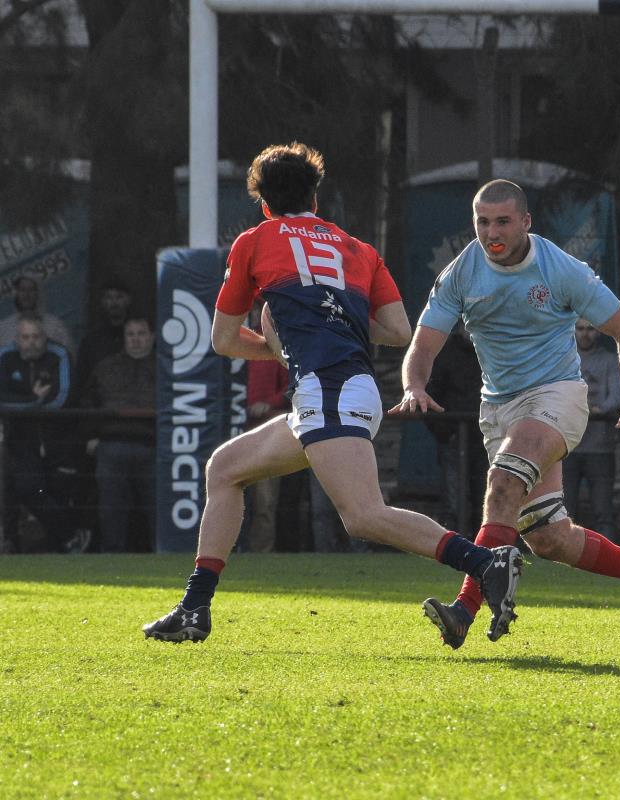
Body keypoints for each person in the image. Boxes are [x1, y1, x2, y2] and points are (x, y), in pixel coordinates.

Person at [142, 142, 522, 644]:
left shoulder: (255, 240)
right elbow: (397, 330)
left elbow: (224, 340)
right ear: (315, 199)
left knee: (363, 516)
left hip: (328, 388)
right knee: (225, 468)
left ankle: (484, 562)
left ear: (264, 204)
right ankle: (194, 608)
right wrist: (334, 322)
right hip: (339, 388)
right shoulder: (357, 248)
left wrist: (282, 347)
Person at [390, 179, 620, 651]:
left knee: (502, 483)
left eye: (503, 222)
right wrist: (413, 385)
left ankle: (463, 610)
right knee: (551, 538)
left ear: (526, 222)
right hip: (499, 409)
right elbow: (424, 344)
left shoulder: (560, 269)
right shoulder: (462, 271)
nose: (492, 233)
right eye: (482, 222)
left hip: (557, 396)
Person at [0, 314, 82, 552]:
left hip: (58, 440)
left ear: (45, 337)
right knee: (27, 489)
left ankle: (62, 547)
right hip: (21, 441)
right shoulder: (5, 357)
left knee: (58, 494)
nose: (31, 343)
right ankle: (70, 536)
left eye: (36, 337)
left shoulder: (59, 355)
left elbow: (62, 398)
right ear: (17, 339)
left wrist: (22, 403)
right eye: (25, 337)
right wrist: (33, 401)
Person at [79, 316, 157, 552]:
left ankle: (166, 554)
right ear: (123, 338)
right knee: (111, 510)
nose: (135, 339)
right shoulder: (105, 367)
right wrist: (91, 436)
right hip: (112, 444)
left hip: (153, 446)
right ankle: (112, 558)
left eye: (141, 333)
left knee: (158, 507)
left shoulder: (166, 368)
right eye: (130, 334)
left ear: (152, 337)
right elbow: (87, 402)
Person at [562, 319, 620, 543]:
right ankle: (564, 553)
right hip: (567, 446)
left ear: (598, 332)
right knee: (564, 512)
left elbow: (617, 396)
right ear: (573, 330)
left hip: (600, 446)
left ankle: (609, 555)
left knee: (603, 511)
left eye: (590, 329)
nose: (585, 334)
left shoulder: (610, 360)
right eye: (580, 328)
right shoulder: (563, 360)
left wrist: (596, 410)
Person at [423, 322, 489, 532]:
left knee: (485, 501)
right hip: (454, 438)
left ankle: (484, 545)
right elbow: (430, 393)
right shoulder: (446, 352)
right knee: (453, 503)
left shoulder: (491, 351)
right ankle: (453, 546)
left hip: (486, 438)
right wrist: (445, 432)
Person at [242, 300, 291, 553]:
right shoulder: (230, 345)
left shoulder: (277, 347)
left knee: (264, 501)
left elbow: (289, 387)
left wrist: (267, 404)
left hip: (266, 432)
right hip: (232, 430)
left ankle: (260, 553)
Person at [76, 277, 133, 388]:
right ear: (102, 302)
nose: (114, 302)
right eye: (109, 297)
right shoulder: (91, 341)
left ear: (128, 300)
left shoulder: (140, 336)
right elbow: (82, 379)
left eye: (119, 297)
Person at [0, 275, 74, 355]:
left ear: (38, 293)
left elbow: (68, 356)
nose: (26, 294)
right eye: (22, 290)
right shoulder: (4, 328)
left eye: (31, 290)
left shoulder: (55, 327)